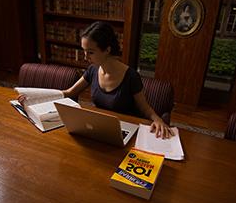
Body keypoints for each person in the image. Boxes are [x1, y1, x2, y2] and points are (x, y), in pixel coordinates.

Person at [19, 21, 174, 139]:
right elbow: (68, 93)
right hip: (97, 129)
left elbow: (145, 108)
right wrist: (34, 98)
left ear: (107, 49)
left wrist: (158, 119)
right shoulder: (93, 70)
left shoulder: (131, 76)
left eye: (90, 52)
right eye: (84, 51)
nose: (85, 57)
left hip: (124, 132)